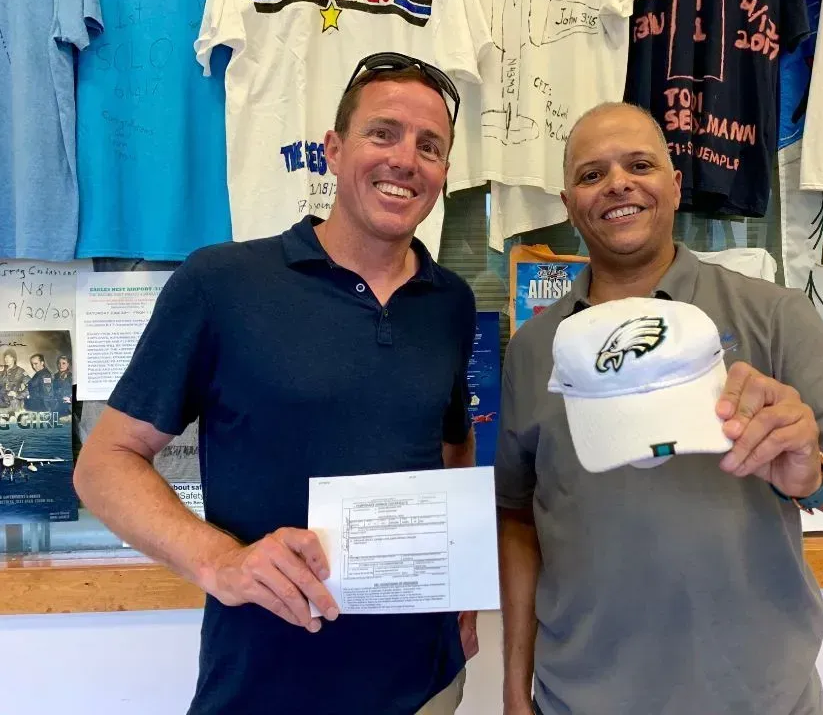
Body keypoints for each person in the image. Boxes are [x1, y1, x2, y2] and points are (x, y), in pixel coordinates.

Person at [75, 52, 479, 715]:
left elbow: (450, 446)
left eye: (429, 146)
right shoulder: (222, 283)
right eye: (383, 134)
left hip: (428, 687)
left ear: (443, 172)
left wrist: (459, 577)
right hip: (265, 689)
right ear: (333, 150)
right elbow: (104, 463)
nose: (405, 159)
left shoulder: (451, 302)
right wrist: (220, 562)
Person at [495, 102, 823, 715]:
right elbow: (517, 519)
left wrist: (818, 476)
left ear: (675, 185)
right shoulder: (535, 349)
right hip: (578, 701)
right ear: (568, 203)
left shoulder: (773, 316)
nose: (617, 183)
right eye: (592, 174)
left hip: (761, 700)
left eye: (639, 165)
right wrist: (515, 689)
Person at [1, 350, 29, 414]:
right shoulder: (2, 370)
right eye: (5, 357)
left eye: (9, 357)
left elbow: (31, 386)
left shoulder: (20, 371)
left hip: (13, 405)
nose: (6, 359)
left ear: (14, 358)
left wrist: (18, 394)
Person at [53, 355, 73, 419]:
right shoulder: (54, 377)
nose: (61, 365)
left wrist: (70, 399)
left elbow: (78, 392)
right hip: (56, 406)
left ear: (68, 364)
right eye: (59, 363)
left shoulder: (72, 377)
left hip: (68, 407)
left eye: (64, 363)